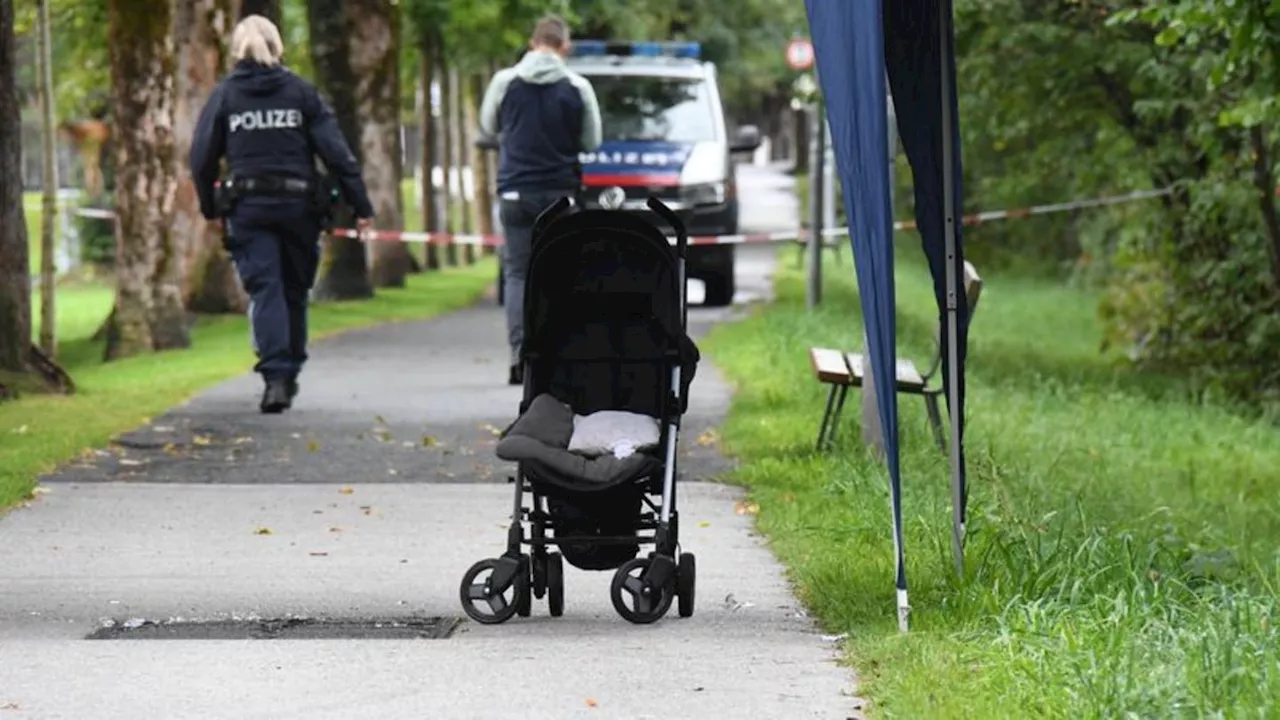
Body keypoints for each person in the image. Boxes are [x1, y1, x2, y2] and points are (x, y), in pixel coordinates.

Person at [189, 14, 374, 414]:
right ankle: (287, 373)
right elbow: (338, 155)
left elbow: (201, 158)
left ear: (236, 50)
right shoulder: (301, 93)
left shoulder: (225, 97)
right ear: (278, 47)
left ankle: (275, 377)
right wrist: (361, 207)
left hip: (248, 210)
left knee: (266, 289)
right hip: (299, 210)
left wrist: (210, 206)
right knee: (293, 290)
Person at [479, 14, 603, 385]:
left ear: (533, 43)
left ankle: (519, 356)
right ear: (564, 47)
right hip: (560, 195)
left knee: (517, 273)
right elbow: (591, 140)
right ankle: (555, 358)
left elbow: (488, 125)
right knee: (560, 274)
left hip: (515, 191)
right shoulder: (578, 86)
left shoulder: (504, 81)